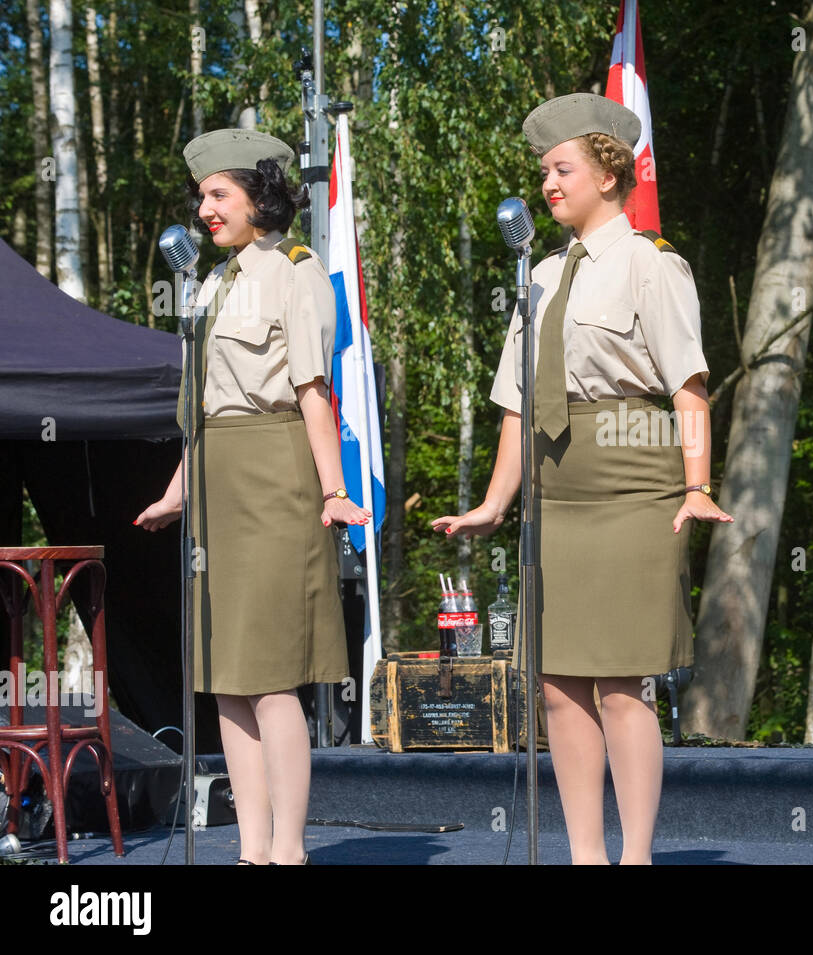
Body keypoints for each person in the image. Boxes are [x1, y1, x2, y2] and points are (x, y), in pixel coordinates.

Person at [432, 93, 733, 865]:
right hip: (555, 491)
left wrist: (696, 483)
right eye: (543, 172)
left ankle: (635, 856)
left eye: (560, 168)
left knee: (622, 680)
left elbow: (688, 385)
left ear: (607, 170)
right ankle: (584, 855)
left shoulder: (652, 262)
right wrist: (494, 503)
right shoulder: (535, 276)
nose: (547, 184)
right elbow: (515, 404)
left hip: (635, 479)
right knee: (559, 685)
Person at [136, 129, 371, 865]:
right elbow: (201, 413)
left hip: (276, 474)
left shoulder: (294, 271)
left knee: (271, 679)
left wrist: (333, 489)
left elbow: (311, 390)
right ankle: (251, 847)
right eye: (202, 197)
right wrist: (176, 493)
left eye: (217, 195)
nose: (204, 209)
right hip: (219, 485)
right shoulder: (210, 286)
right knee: (228, 679)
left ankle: (291, 850)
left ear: (256, 198)